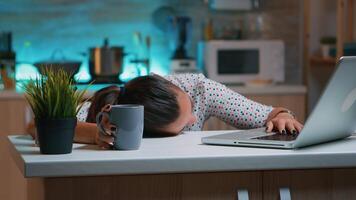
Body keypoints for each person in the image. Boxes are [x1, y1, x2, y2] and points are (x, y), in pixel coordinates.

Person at [27, 73, 303, 149]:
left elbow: (269, 114)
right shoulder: (119, 108)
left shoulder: (201, 89)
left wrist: (283, 116)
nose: (195, 119)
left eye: (191, 110)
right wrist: (99, 133)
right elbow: (35, 128)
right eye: (185, 126)